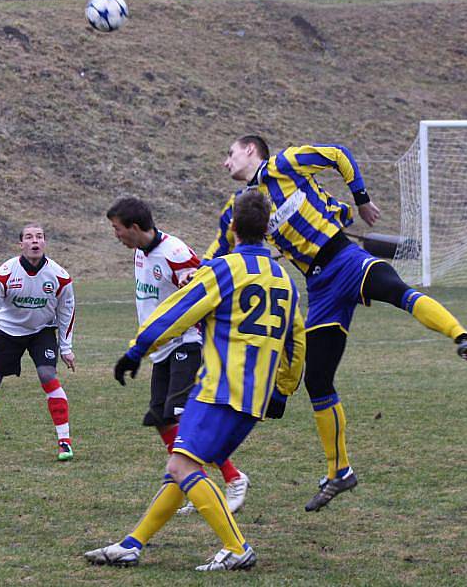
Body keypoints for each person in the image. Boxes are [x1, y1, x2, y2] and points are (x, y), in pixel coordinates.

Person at [198, 135, 467, 512]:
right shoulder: (237, 209)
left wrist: (361, 199)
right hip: (320, 288)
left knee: (398, 292)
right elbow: (217, 251)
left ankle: (462, 337)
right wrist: (195, 271)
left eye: (229, 153)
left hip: (346, 260)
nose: (225, 163)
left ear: (251, 150)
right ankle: (340, 472)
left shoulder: (285, 164)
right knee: (318, 381)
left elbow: (338, 155)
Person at [85, 190, 305, 571]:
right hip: (254, 398)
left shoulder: (223, 268)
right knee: (182, 464)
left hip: (219, 389)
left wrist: (138, 349)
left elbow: (180, 310)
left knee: (183, 467)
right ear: (267, 232)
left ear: (232, 228)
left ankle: (237, 547)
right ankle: (132, 544)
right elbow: (296, 340)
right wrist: (283, 390)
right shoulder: (285, 280)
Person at [105, 196, 250, 513]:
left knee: (187, 421)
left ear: (133, 226)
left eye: (117, 229)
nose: (115, 235)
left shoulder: (175, 253)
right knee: (161, 418)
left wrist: (190, 278)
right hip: (161, 348)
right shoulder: (141, 254)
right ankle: (192, 481)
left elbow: (203, 287)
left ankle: (234, 478)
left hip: (187, 342)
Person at [0, 223, 77, 462]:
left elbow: (67, 310)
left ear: (44, 243)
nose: (35, 241)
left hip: (41, 331)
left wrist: (66, 347)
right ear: (21, 244)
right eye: (29, 237)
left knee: (47, 376)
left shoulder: (60, 276)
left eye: (39, 237)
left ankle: (65, 443)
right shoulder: (6, 272)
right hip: (7, 331)